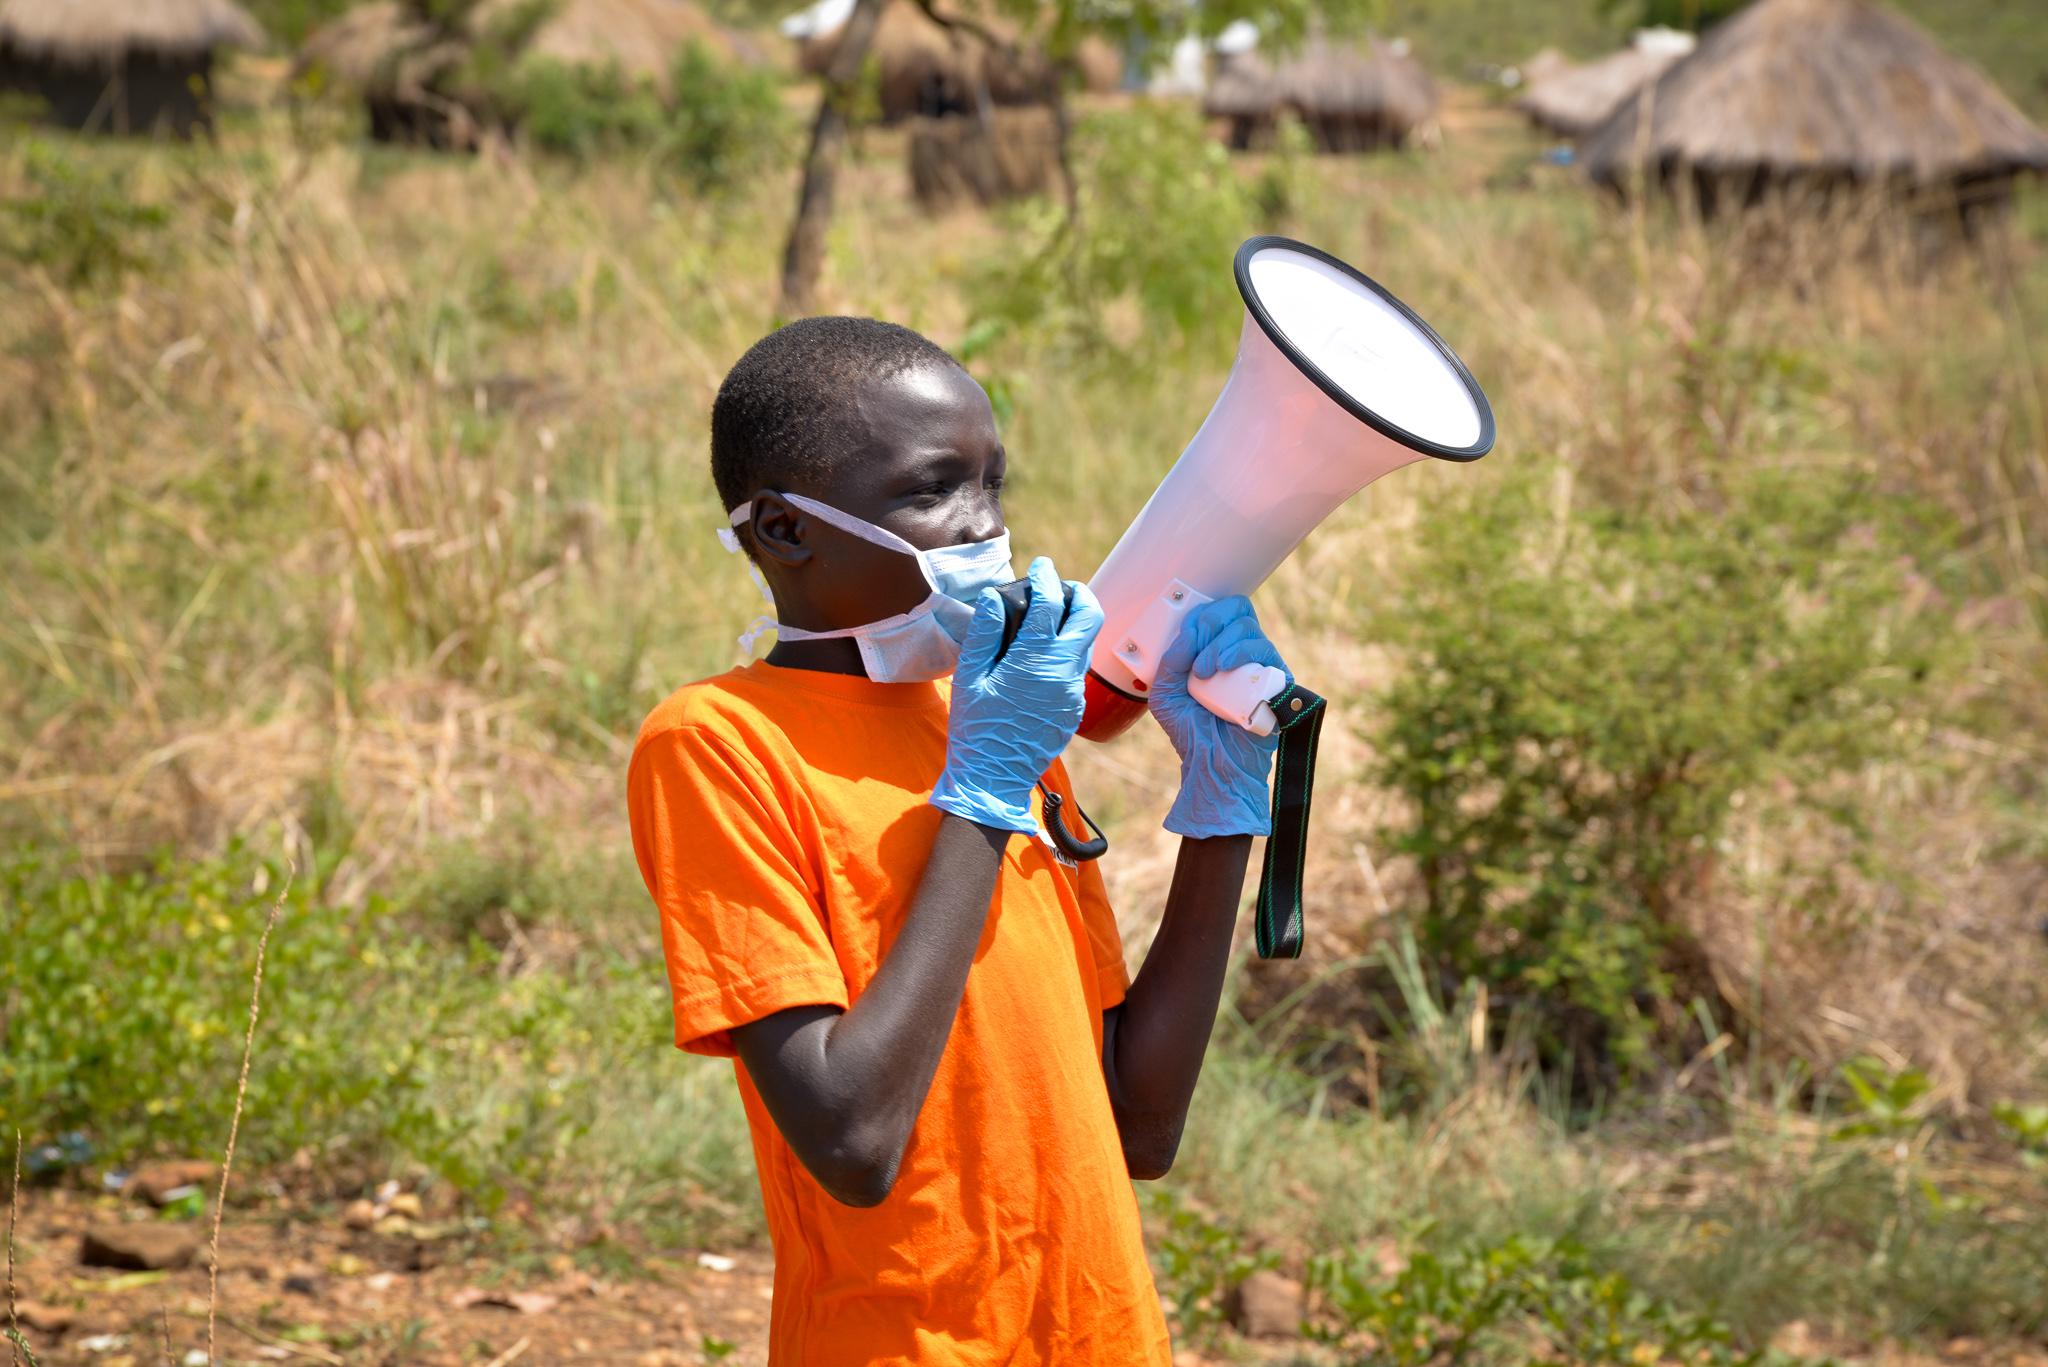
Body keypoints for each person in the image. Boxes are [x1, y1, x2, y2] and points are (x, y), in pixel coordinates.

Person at [627, 316, 1294, 1366]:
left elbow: (1139, 1125)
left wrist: (1221, 810)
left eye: (993, 485)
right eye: (932, 488)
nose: (983, 529)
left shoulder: (986, 716)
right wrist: (981, 794)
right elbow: (854, 1139)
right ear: (780, 531)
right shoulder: (717, 743)